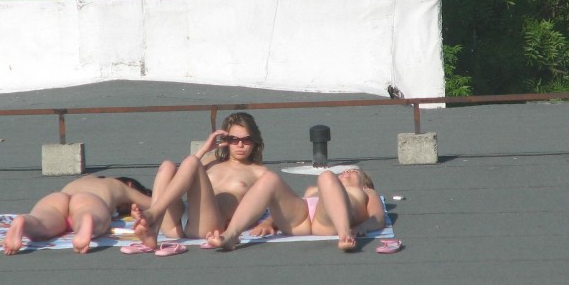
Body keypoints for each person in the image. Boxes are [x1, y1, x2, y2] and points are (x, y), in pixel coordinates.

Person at [130, 112, 268, 250]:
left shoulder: (260, 172)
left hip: (207, 224)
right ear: (226, 140)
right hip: (178, 222)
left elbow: (276, 202)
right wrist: (204, 149)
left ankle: (154, 213)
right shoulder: (212, 160)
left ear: (255, 141)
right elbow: (182, 176)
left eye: (246, 140)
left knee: (192, 161)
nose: (239, 144)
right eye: (233, 139)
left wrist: (267, 223)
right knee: (167, 166)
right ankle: (153, 230)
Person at [204, 168, 385, 252]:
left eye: (354, 172)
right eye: (344, 171)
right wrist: (269, 222)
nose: (346, 173)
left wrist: (363, 227)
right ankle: (231, 235)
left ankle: (344, 235)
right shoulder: (316, 188)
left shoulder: (366, 192)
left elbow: (378, 216)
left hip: (329, 221)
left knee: (326, 176)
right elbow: (294, 203)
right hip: (301, 219)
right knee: (270, 178)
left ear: (364, 183)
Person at [3, 175, 152, 255]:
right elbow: (153, 204)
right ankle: (89, 220)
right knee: (91, 216)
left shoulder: (85, 178)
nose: (119, 211)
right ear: (130, 184)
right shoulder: (120, 186)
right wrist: (136, 208)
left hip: (58, 197)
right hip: (88, 199)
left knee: (41, 224)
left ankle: (25, 221)